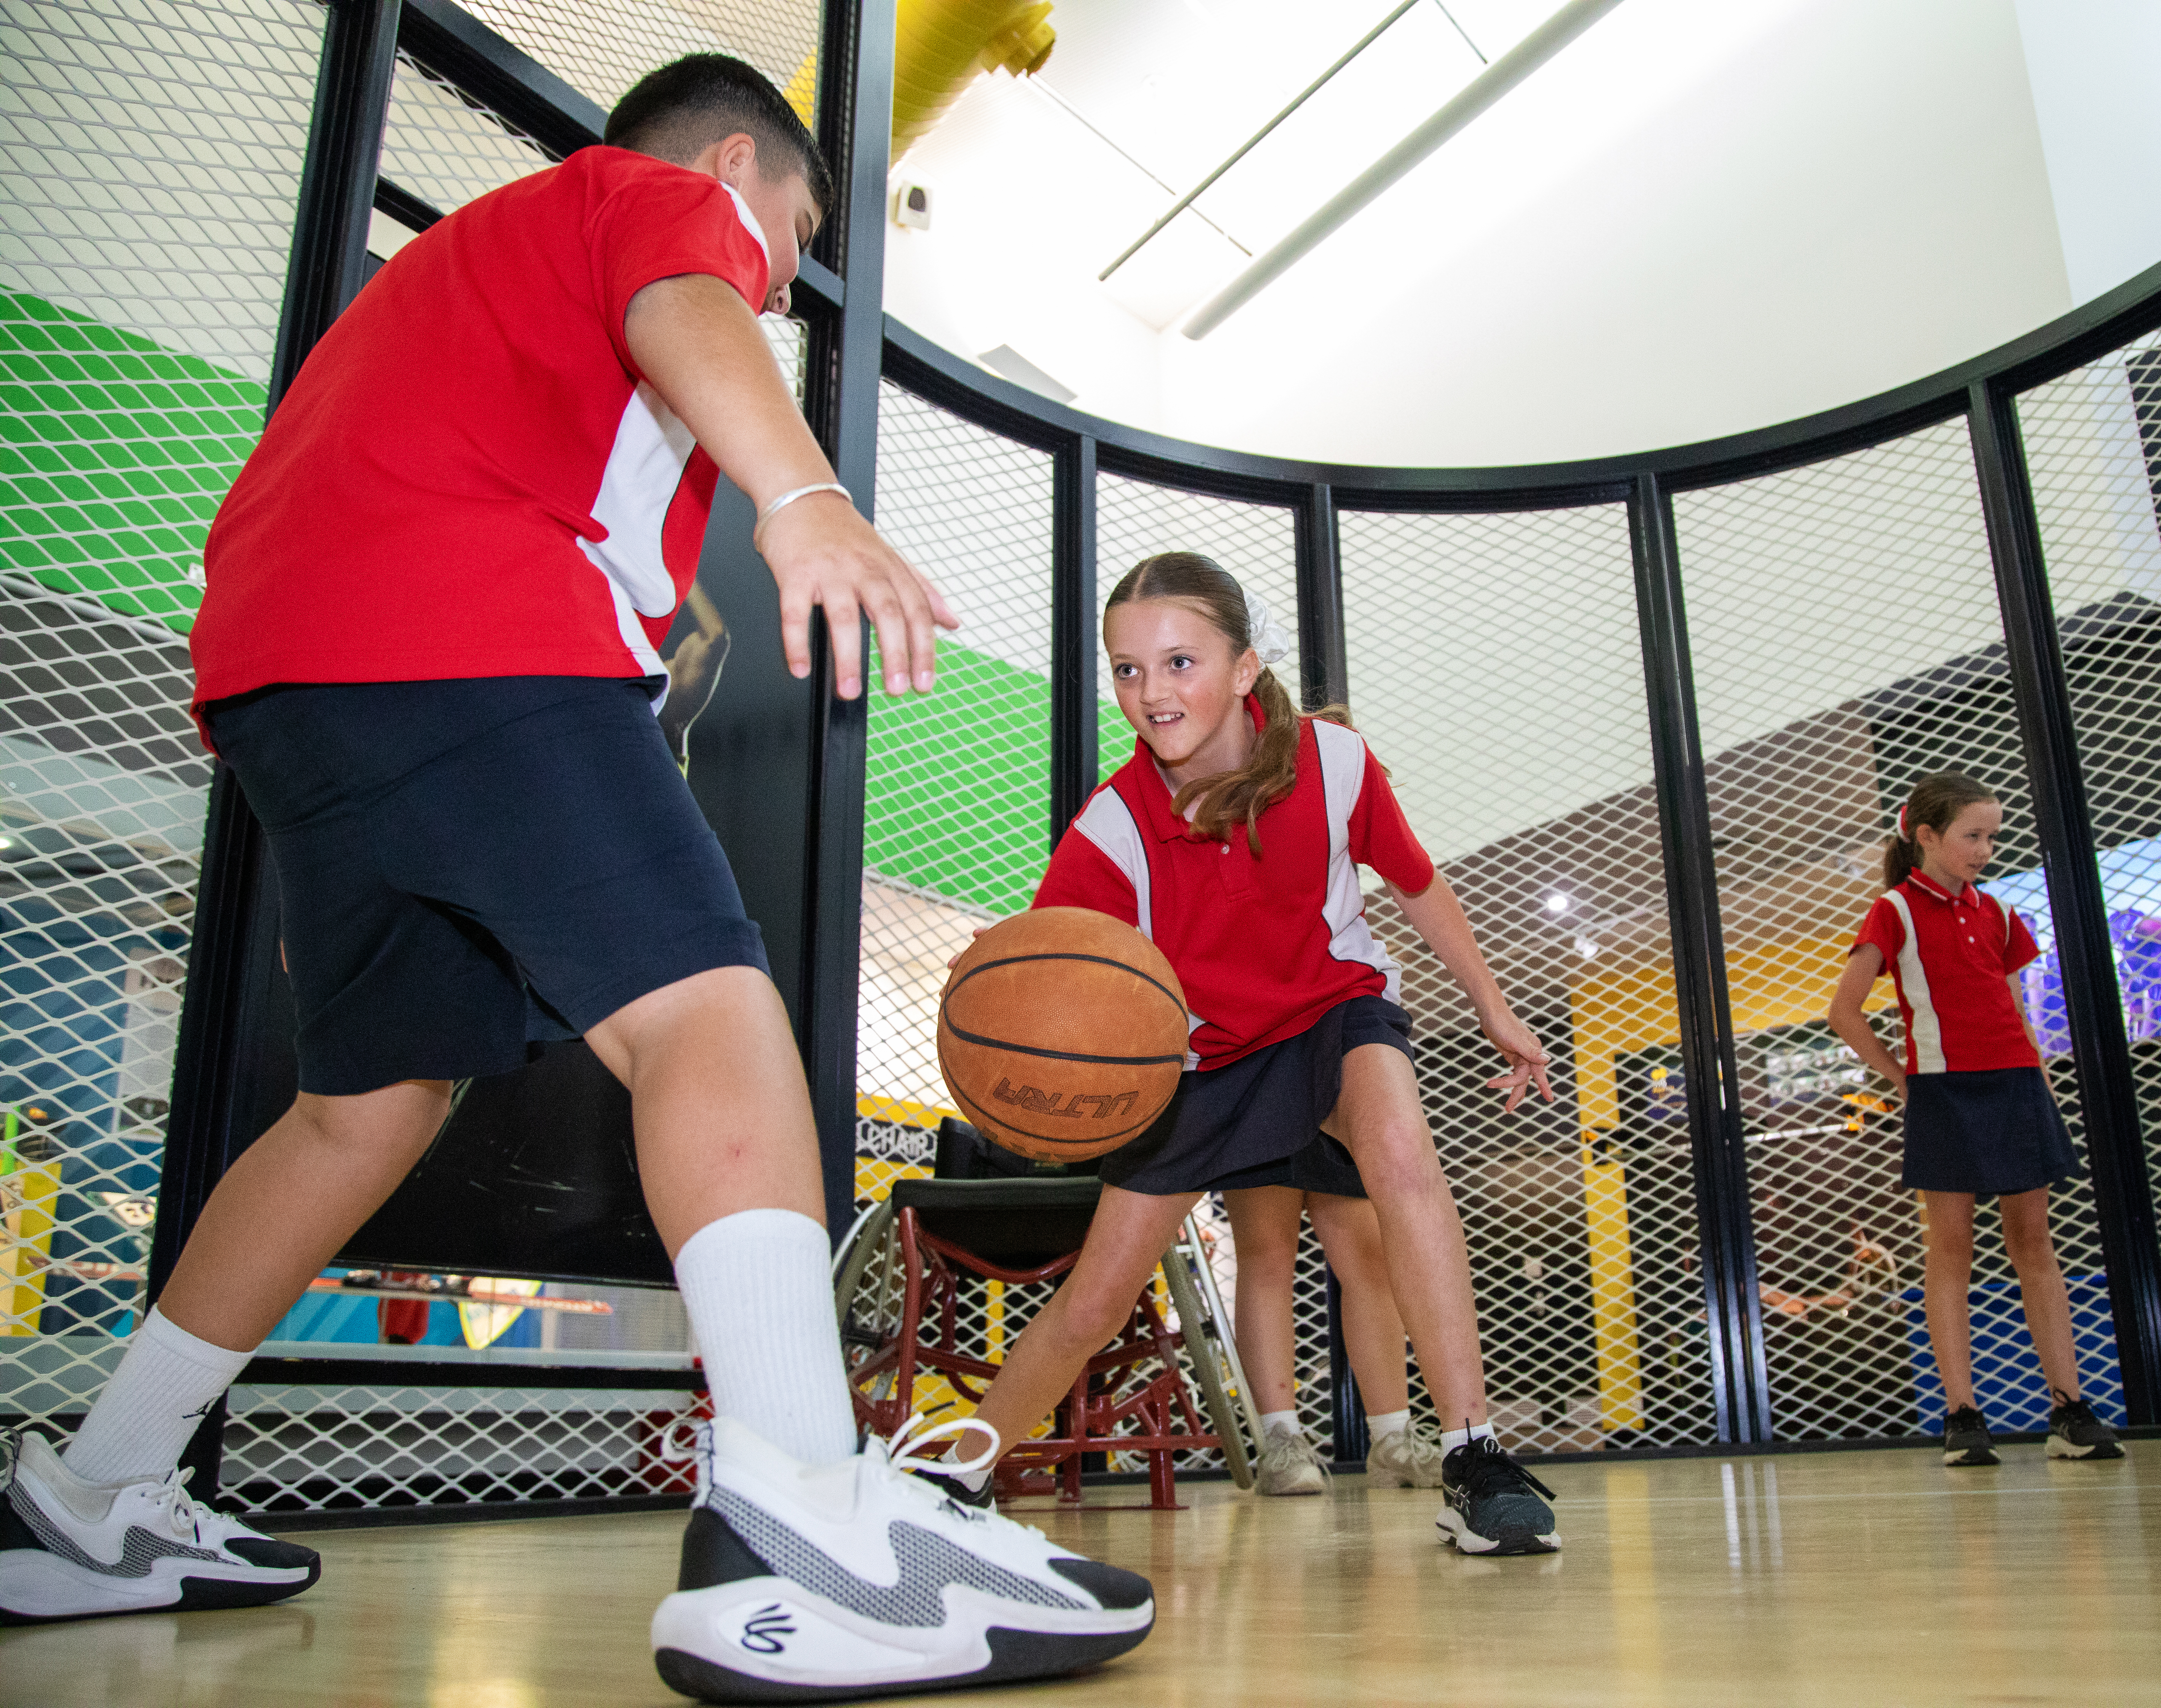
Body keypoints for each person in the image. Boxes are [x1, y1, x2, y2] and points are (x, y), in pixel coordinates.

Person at [0, 53, 1156, 1700]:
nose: (780, 262)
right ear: (740, 163)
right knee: (713, 1014)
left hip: (285, 678)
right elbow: (688, 288)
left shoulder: (478, 283)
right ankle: (804, 1517)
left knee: (366, 1106)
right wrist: (808, 497)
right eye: (795, 225)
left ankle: (100, 1489)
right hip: (454, 625)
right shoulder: (655, 202)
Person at [934, 552, 1562, 1555]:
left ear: (1242, 668)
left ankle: (1475, 1452)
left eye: (1180, 661)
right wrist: (1003, 975)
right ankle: (951, 1475)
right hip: (1199, 1061)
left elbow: (1416, 884)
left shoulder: (1337, 764)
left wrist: (1493, 1005)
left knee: (1402, 1161)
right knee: (1097, 1295)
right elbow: (1050, 964)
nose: (1151, 692)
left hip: (1332, 1013)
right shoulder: (1113, 825)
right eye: (1128, 670)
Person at [1827, 770, 2123, 1468]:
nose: (1984, 849)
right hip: (1945, 1094)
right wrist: (1905, 1081)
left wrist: (2039, 1082)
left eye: (1991, 836)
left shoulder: (1995, 912)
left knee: (2034, 1243)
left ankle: (2068, 1409)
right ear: (1925, 836)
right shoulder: (1892, 910)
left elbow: (2015, 1008)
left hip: (2017, 1086)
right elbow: (1843, 1012)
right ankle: (1961, 1416)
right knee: (1950, 1252)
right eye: (1971, 836)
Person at [1217, 1144, 1442, 1495]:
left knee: (1369, 1260)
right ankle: (1280, 1441)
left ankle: (1393, 1439)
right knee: (1266, 1259)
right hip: (1253, 1095)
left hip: (1333, 1097)